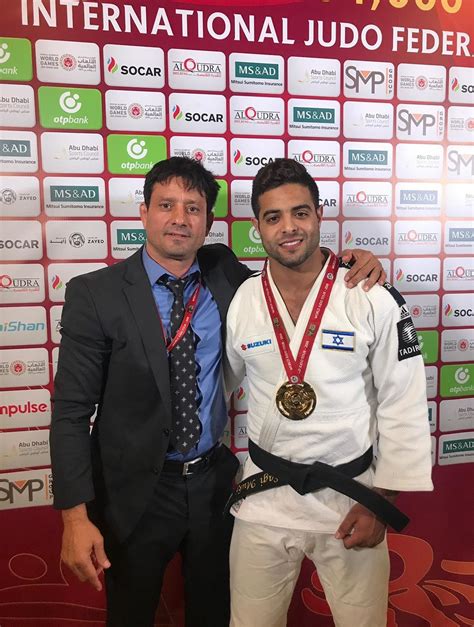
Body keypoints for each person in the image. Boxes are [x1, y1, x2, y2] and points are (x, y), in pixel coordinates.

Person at [50, 156, 386, 627]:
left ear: (208, 221)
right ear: (143, 213)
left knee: (215, 613)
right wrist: (73, 517)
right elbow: (70, 412)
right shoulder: (96, 294)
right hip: (134, 494)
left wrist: (348, 261)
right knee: (131, 615)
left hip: (213, 487)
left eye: (193, 208)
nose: (179, 219)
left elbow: (292, 269)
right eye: (166, 205)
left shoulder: (225, 273)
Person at [224, 159, 433, 627]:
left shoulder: (369, 294)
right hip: (263, 498)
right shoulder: (244, 299)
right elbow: (219, 388)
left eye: (300, 212)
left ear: (319, 214)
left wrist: (382, 503)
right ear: (257, 226)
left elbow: (403, 402)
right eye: (273, 217)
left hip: (351, 498)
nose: (289, 227)